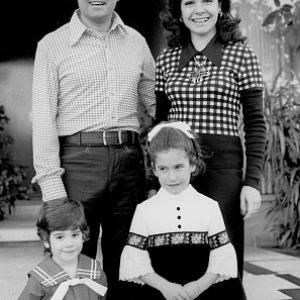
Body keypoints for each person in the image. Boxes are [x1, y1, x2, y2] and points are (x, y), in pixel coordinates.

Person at [31, 0, 156, 297]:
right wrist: (52, 187)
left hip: (129, 164)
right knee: (73, 265)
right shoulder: (52, 45)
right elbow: (43, 114)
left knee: (127, 262)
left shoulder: (136, 41)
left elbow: (155, 102)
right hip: (77, 163)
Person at [155, 0, 266, 276]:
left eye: (207, 1)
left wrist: (252, 182)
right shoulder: (166, 59)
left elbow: (255, 124)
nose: (199, 9)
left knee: (223, 258)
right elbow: (159, 126)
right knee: (180, 258)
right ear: (179, 12)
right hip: (176, 170)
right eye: (189, 2)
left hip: (223, 171)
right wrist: (152, 181)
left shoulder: (242, 55)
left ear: (220, 7)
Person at [118, 121, 246, 300]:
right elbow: (135, 260)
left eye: (179, 167)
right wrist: (165, 287)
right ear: (154, 170)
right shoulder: (145, 210)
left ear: (192, 164)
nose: (172, 177)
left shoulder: (209, 207)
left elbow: (222, 257)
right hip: (159, 289)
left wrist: (199, 286)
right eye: (163, 169)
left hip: (203, 287)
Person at [18, 198, 107, 300]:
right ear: (46, 240)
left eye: (74, 235)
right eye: (60, 237)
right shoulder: (40, 278)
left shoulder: (95, 270)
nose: (69, 243)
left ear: (83, 236)